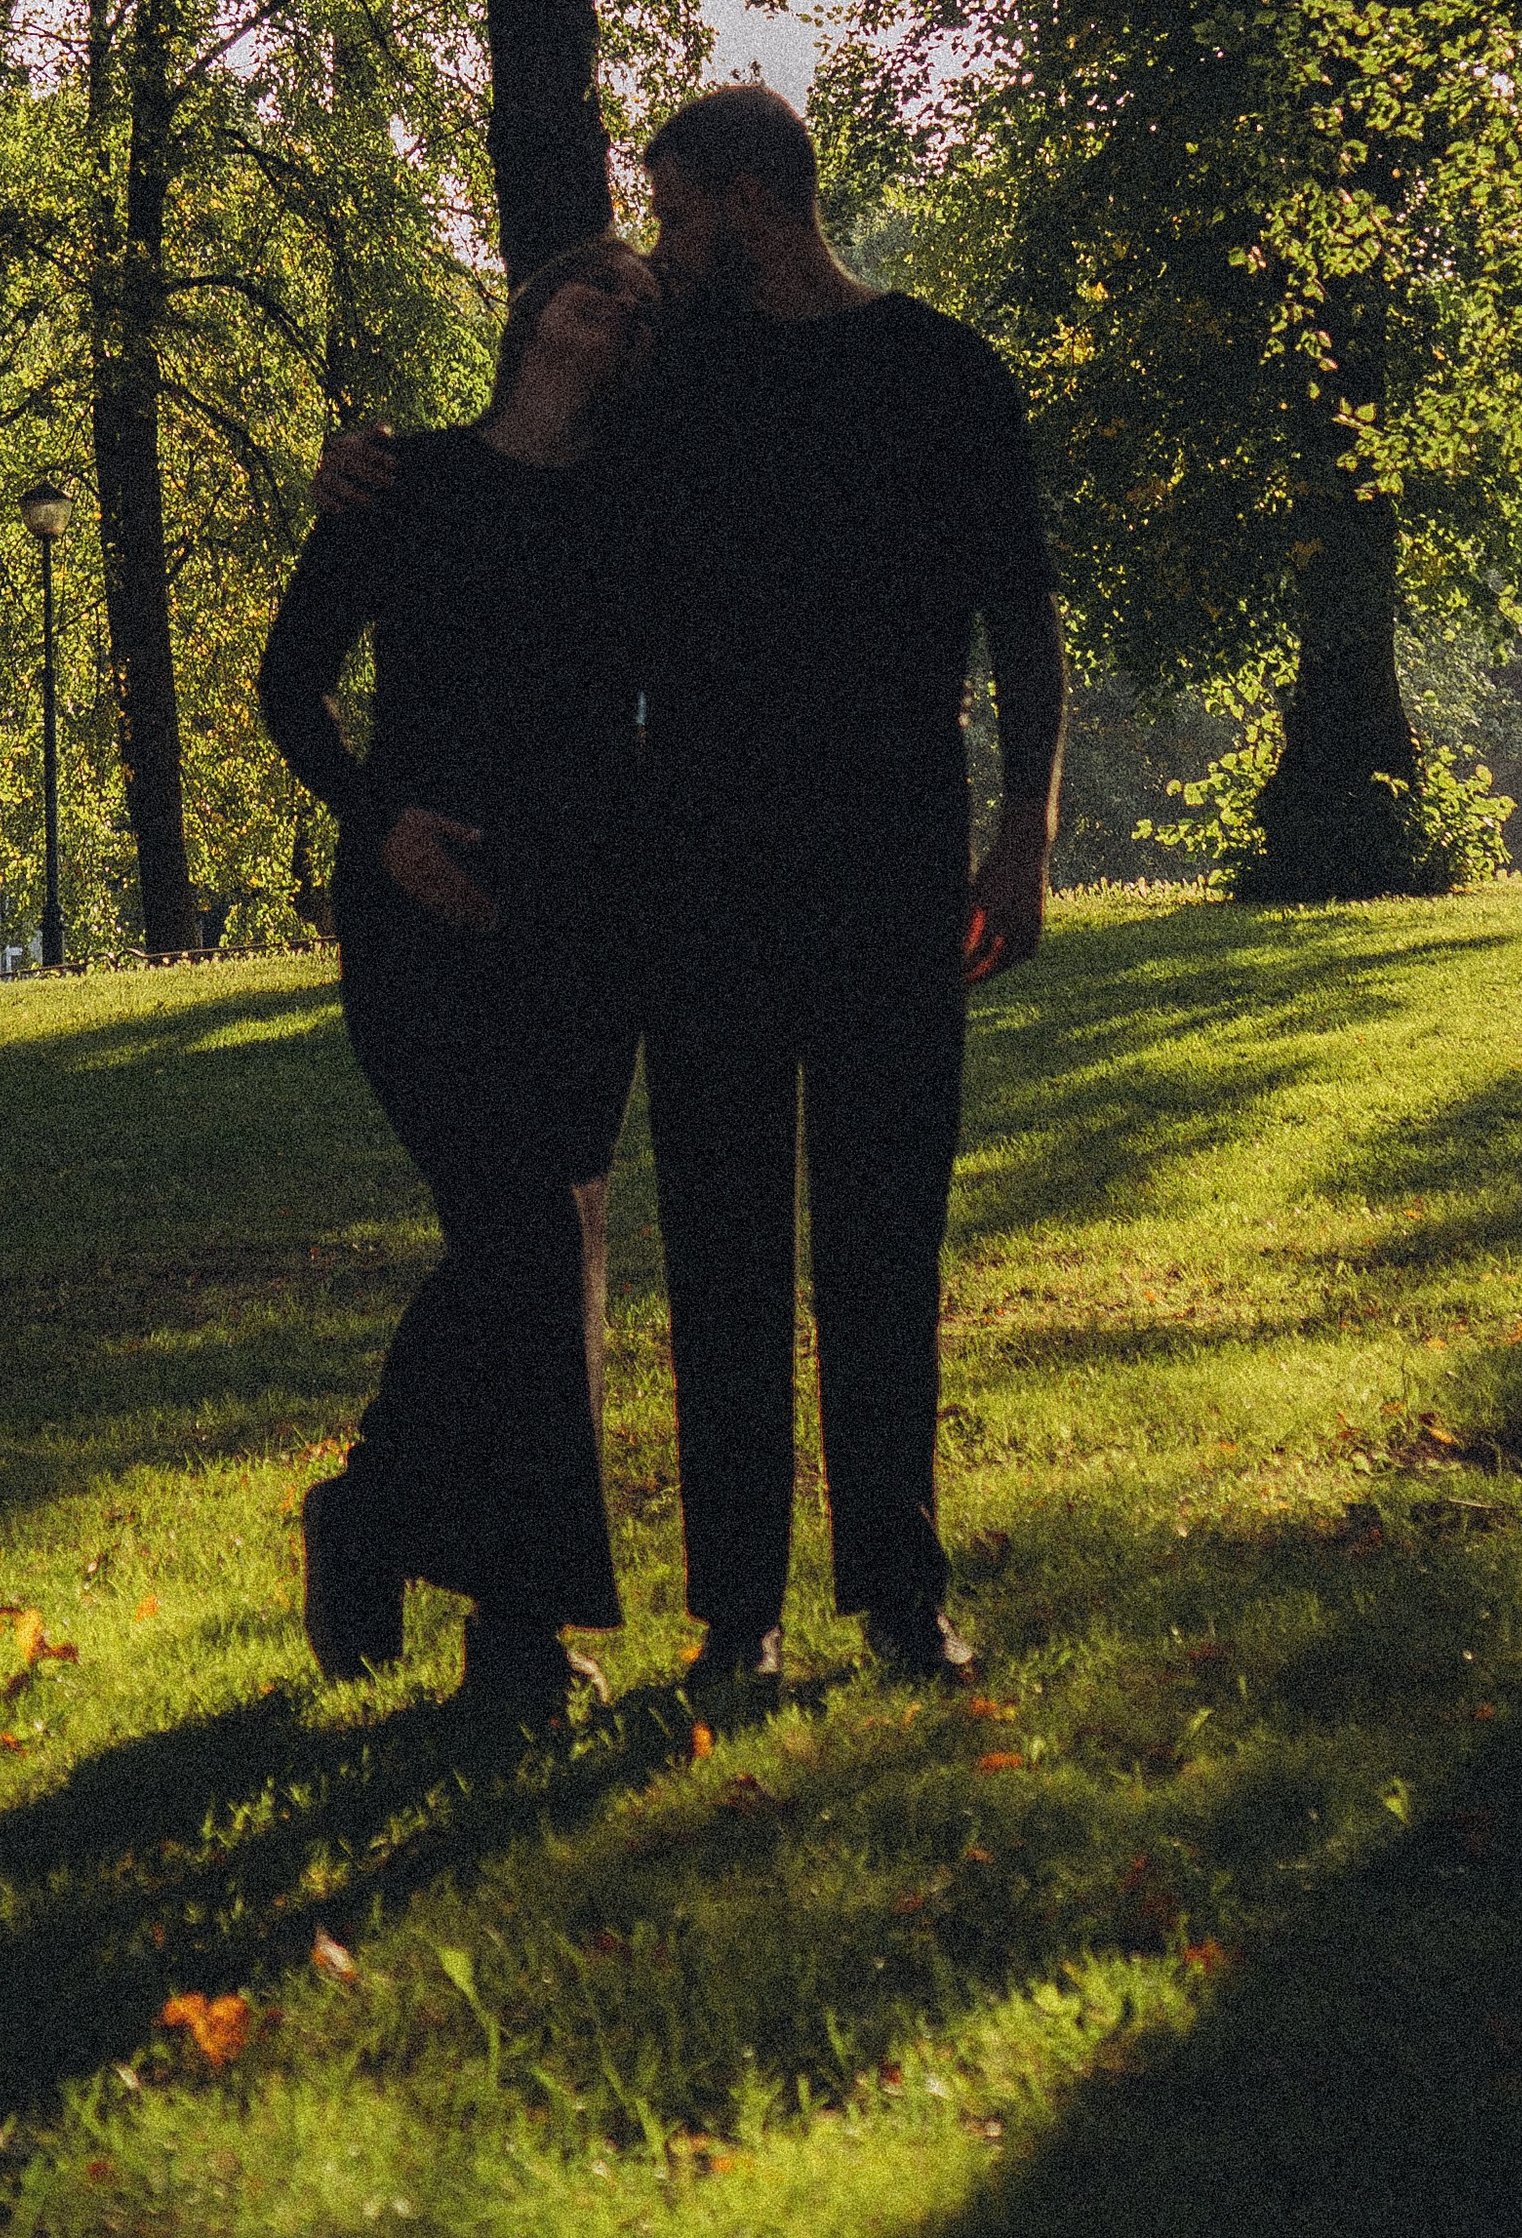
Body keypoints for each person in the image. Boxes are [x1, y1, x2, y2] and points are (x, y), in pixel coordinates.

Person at [321, 85, 1065, 1695]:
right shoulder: (673, 383)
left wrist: (1026, 831)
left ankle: (901, 1592)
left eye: (671, 213)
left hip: (892, 858)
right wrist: (371, 474)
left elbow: (1023, 607)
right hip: (701, 870)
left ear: (748, 197)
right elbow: (526, 467)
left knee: (884, 1232)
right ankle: (739, 1618)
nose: (657, 249)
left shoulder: (938, 370)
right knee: (726, 1247)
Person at [258, 233, 660, 1722]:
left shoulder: (641, 505)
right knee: (527, 1243)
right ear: (532, 309)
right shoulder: (403, 481)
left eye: (644, 302)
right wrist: (383, 826)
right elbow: (290, 682)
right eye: (595, 281)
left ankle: (439, 1568)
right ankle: (483, 1606)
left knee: (538, 1253)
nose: (617, 303)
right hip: (419, 910)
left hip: (585, 918)